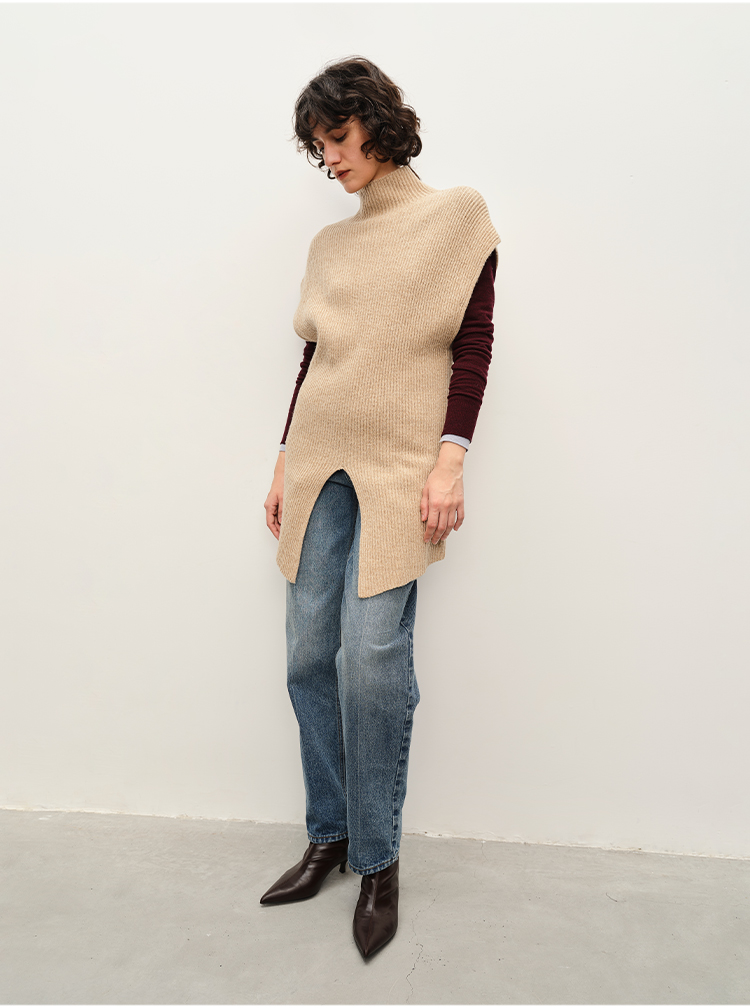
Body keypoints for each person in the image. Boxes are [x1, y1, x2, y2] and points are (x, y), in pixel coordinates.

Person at [261, 56, 499, 959]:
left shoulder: (457, 217)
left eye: (337, 137)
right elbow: (313, 361)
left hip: (403, 469)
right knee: (305, 653)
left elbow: (474, 345)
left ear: (376, 122)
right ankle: (328, 833)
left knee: (370, 658)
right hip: (317, 461)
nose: (329, 158)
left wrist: (452, 460)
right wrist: (284, 459)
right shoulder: (330, 245)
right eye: (318, 148)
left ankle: (377, 859)